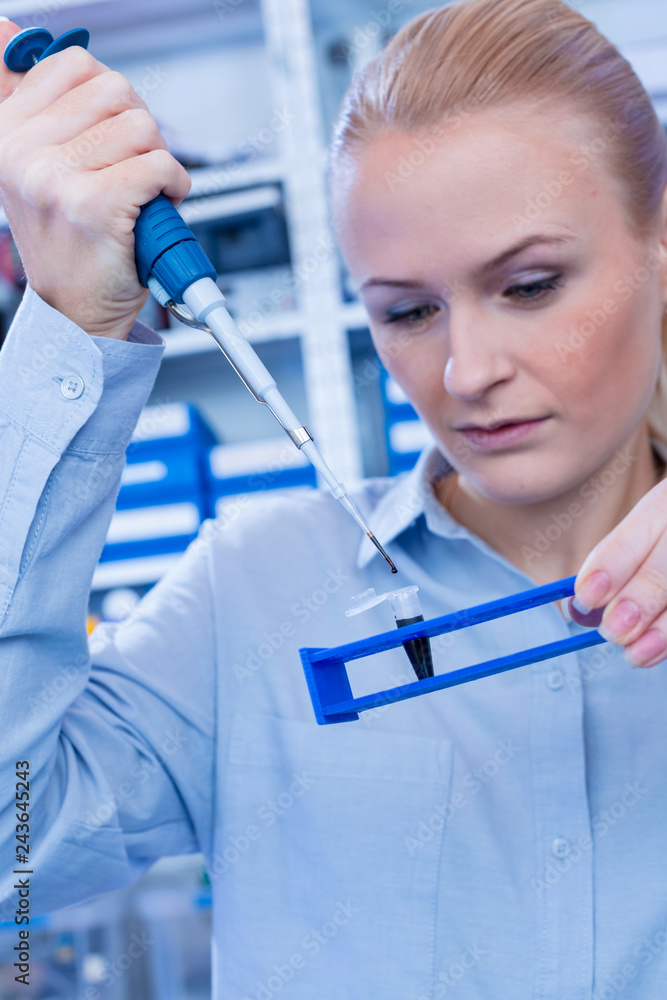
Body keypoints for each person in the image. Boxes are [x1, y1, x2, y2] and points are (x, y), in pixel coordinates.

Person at [1, 0, 667, 994]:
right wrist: (66, 330)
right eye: (406, 311)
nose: (467, 369)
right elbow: (15, 850)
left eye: (528, 285)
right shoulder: (252, 595)